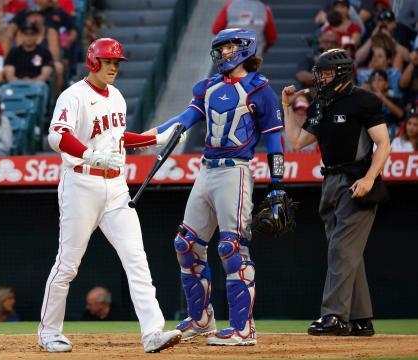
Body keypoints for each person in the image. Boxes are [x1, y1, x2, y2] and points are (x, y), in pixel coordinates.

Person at [144, 28, 292, 346]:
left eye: (229, 47)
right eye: (220, 48)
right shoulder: (208, 86)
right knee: (186, 245)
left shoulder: (260, 89)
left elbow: (275, 140)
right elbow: (184, 119)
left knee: (231, 248)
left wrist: (278, 186)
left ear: (245, 49)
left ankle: (243, 329)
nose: (223, 53)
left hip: (235, 173)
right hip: (206, 170)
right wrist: (148, 136)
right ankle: (201, 319)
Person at [38, 37, 183, 354]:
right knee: (68, 265)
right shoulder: (73, 96)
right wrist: (91, 155)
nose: (114, 67)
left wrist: (153, 139)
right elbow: (57, 136)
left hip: (117, 187)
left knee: (137, 260)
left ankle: (152, 333)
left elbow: (116, 137)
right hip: (81, 184)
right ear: (93, 62)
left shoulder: (117, 96)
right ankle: (49, 332)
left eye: (117, 62)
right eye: (108, 61)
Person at [283, 48, 391, 337]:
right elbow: (296, 140)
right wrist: (287, 107)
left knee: (341, 249)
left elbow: (383, 143)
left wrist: (370, 178)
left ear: (342, 72)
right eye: (320, 73)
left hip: (356, 180)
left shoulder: (364, 100)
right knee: (346, 252)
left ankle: (334, 316)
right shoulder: (322, 104)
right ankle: (361, 319)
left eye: (326, 73)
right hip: (329, 181)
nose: (321, 78)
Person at [211, 0, 277, 54]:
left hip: (232, 54)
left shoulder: (229, 6)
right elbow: (271, 37)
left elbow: (215, 29)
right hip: (254, 54)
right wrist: (264, 47)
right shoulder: (264, 9)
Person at [365, 69, 404, 139]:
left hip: (392, 132)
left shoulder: (394, 99)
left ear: (386, 84)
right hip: (372, 132)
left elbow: (401, 114)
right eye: (373, 80)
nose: (376, 82)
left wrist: (382, 98)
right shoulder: (366, 99)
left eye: (380, 80)